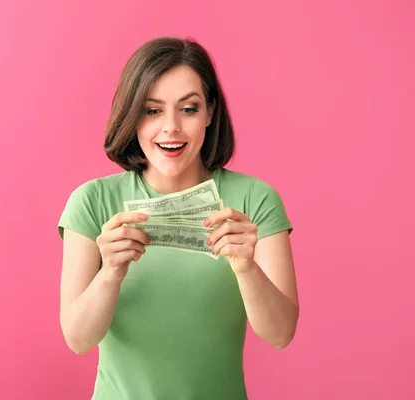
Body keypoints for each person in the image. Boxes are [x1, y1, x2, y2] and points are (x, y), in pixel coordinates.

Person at [57, 36, 299, 400]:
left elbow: (280, 334)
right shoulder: (92, 201)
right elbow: (78, 339)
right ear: (132, 114)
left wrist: (247, 268)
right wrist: (109, 273)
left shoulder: (255, 199)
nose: (171, 127)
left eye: (188, 109)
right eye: (153, 110)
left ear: (210, 112)